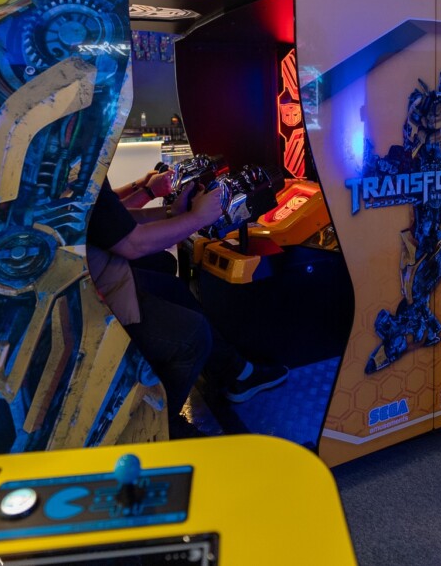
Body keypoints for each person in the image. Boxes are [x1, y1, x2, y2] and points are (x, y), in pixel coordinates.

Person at [84, 175, 288, 436]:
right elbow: (133, 244)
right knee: (193, 335)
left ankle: (238, 373)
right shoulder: (75, 167)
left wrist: (173, 213)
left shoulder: (79, 167)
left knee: (172, 285)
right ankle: (160, 425)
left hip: (101, 273)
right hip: (92, 295)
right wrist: (197, 218)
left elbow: (114, 221)